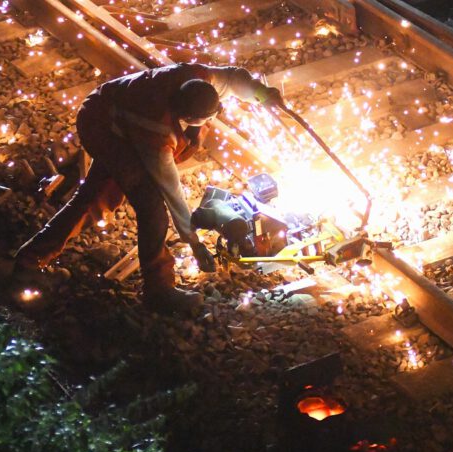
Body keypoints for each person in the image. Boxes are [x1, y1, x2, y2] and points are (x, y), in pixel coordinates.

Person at [14, 63, 284, 313]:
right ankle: (159, 290)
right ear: (186, 115)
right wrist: (194, 243)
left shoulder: (200, 77)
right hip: (102, 125)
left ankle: (29, 259)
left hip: (117, 107)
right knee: (150, 206)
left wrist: (263, 94)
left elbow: (235, 77)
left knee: (96, 196)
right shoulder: (156, 134)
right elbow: (172, 192)